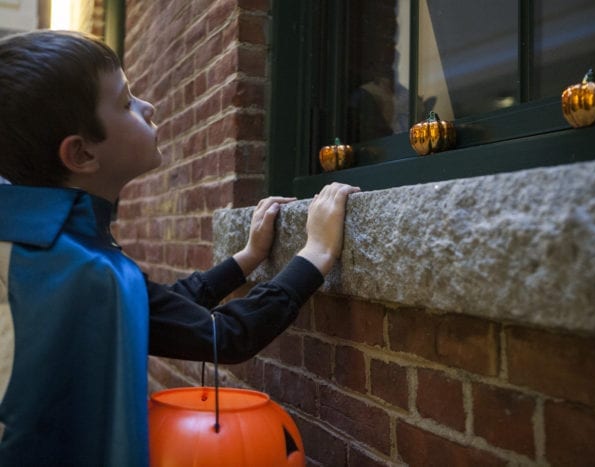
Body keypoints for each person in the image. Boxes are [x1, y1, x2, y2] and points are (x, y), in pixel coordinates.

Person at [0, 30, 360, 466]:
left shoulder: (50, 246)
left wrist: (244, 261)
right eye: (126, 102)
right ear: (81, 154)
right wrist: (316, 254)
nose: (147, 107)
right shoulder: (72, 267)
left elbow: (153, 308)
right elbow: (223, 337)